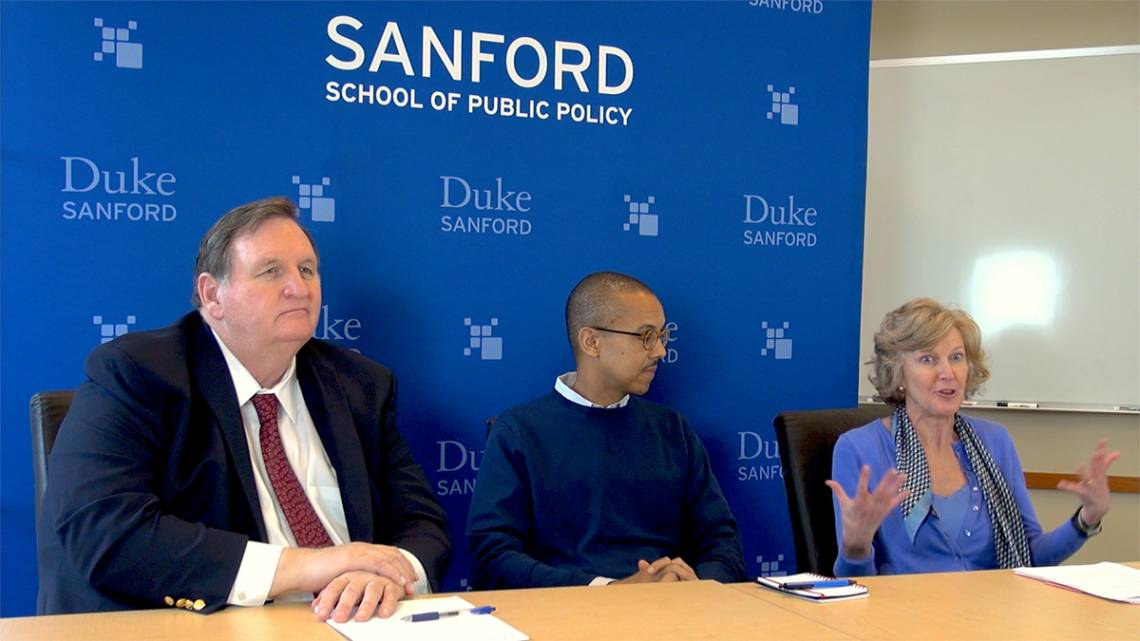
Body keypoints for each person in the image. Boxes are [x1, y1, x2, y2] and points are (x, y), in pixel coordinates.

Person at [37, 197, 450, 623]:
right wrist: (305, 565)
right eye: (272, 272)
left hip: (356, 624)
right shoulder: (138, 374)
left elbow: (421, 521)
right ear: (212, 295)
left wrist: (390, 573)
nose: (299, 288)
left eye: (307, 270)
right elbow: (106, 532)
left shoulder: (360, 384)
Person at [466, 271, 744, 588]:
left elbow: (722, 540)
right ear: (592, 342)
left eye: (662, 336)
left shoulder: (671, 429)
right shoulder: (520, 431)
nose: (660, 352)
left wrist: (698, 585)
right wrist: (609, 591)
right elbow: (492, 557)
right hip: (565, 619)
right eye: (646, 337)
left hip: (676, 615)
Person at [827, 298, 1119, 576]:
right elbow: (857, 585)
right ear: (898, 374)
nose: (948, 372)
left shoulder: (995, 441)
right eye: (928, 359)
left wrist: (1087, 518)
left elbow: (1030, 558)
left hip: (995, 615)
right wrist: (856, 546)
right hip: (906, 620)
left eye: (956, 357)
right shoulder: (859, 448)